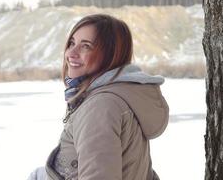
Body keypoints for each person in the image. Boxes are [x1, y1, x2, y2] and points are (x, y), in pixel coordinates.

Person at [27, 14, 169, 180]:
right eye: (72, 43)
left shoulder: (100, 108)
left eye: (85, 46)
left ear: (110, 55)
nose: (71, 53)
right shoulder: (123, 94)